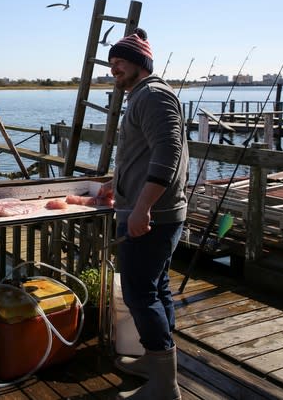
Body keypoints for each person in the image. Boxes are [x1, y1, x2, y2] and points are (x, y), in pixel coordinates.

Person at [97, 29, 189, 400]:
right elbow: (143, 152)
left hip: (152, 216)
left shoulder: (152, 95)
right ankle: (156, 362)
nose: (113, 66)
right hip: (146, 210)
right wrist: (115, 181)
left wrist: (142, 207)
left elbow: (167, 153)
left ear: (141, 63)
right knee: (157, 288)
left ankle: (165, 387)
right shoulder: (141, 95)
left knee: (139, 293)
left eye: (120, 60)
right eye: (111, 62)